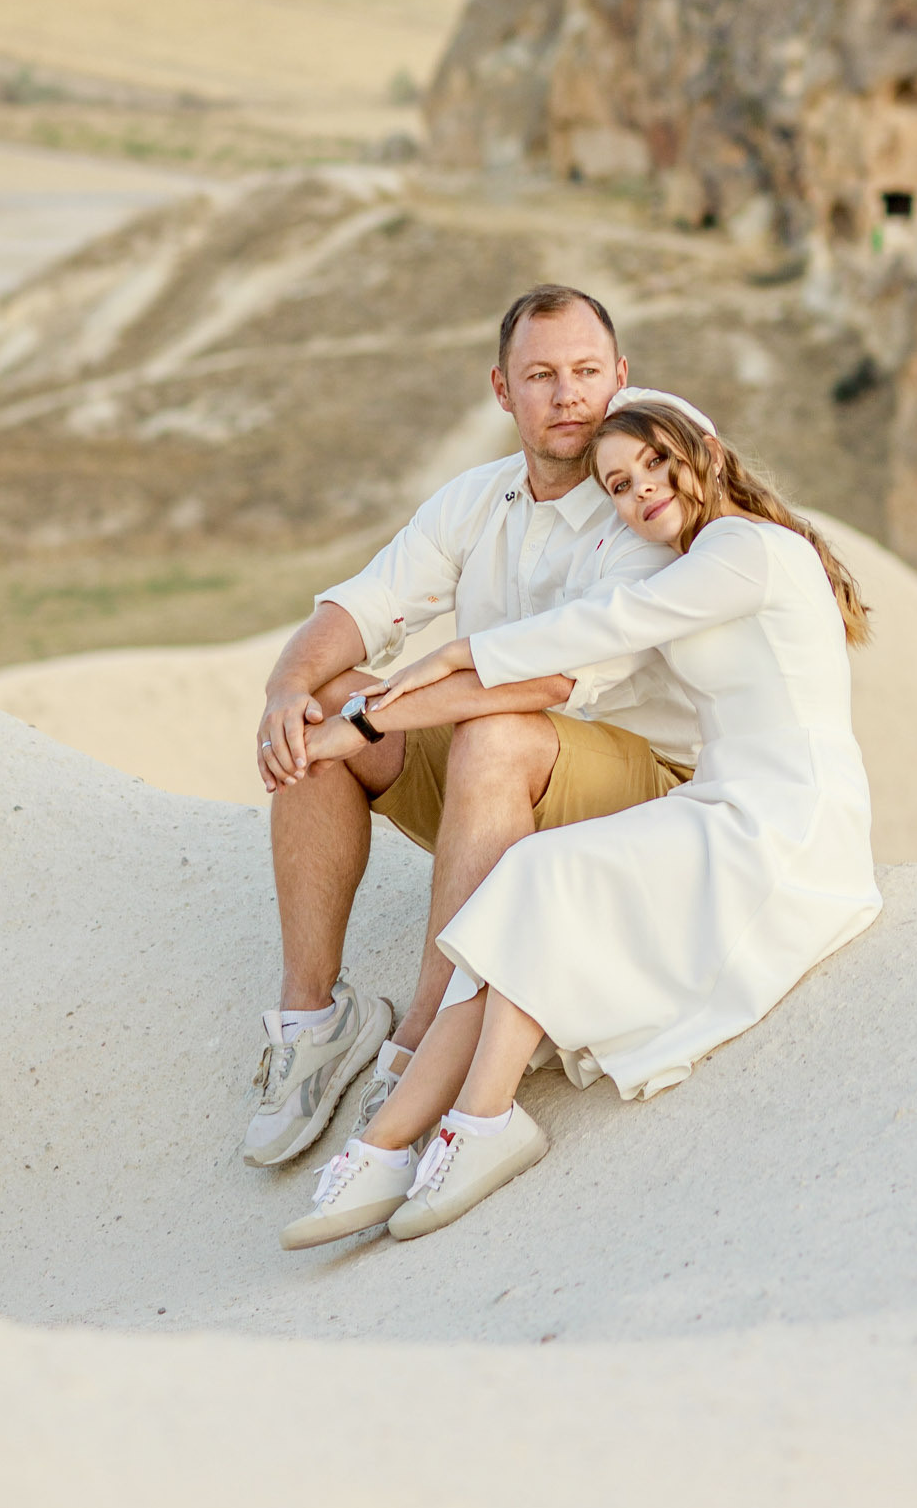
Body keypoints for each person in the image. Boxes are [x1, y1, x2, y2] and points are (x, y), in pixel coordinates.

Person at [277, 396, 880, 1247]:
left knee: (535, 874)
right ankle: (383, 1149)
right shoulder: (697, 556)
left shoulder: (747, 550)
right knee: (522, 889)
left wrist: (447, 659)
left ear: (705, 452)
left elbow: (605, 628)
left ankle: (480, 1122)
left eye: (657, 467)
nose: (643, 494)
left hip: (790, 823)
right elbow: (598, 634)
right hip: (723, 801)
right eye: (622, 485)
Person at [242, 285, 698, 1171]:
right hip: (507, 772)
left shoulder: (642, 502)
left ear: (621, 377)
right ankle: (314, 1022)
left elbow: (555, 680)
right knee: (320, 707)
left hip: (645, 789)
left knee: (494, 727)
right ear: (502, 391)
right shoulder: (476, 499)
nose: (568, 395)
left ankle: (421, 1041)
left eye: (585, 372)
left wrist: (374, 718)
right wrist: (287, 689)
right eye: (541, 375)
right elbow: (365, 604)